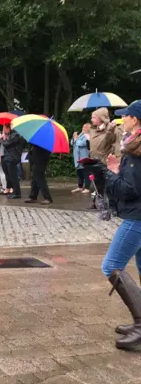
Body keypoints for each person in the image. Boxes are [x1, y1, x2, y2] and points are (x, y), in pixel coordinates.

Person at [100, 101, 141, 350]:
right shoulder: (134, 146)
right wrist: (118, 168)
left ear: (135, 120)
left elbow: (130, 189)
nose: (122, 120)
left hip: (137, 217)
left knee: (111, 266)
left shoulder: (137, 148)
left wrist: (108, 176)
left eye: (125, 116)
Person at [1, 124, 24, 199]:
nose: (3, 130)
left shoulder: (16, 135)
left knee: (13, 176)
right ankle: (15, 192)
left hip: (13, 157)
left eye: (4, 128)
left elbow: (7, 144)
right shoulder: (12, 134)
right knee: (11, 176)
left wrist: (2, 139)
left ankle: (17, 193)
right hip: (9, 157)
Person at [71, 124, 91, 194]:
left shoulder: (88, 135)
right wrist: (74, 138)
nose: (84, 128)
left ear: (89, 128)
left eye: (86, 127)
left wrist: (76, 139)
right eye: (83, 127)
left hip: (84, 156)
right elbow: (72, 143)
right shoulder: (80, 135)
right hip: (77, 157)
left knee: (86, 173)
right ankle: (80, 187)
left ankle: (87, 188)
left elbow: (81, 143)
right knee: (79, 173)